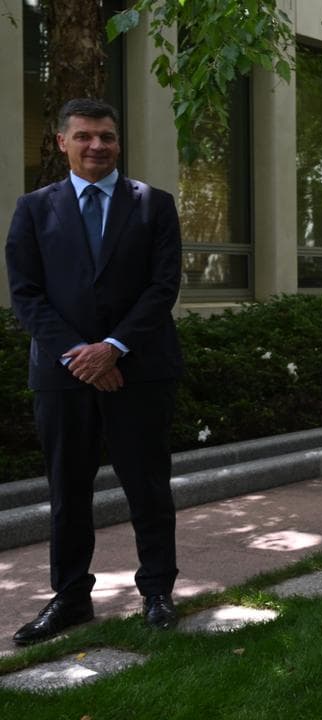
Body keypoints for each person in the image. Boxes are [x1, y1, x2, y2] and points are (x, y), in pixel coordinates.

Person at [6, 98, 183, 645]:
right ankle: (70, 598)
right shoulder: (33, 209)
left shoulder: (154, 205)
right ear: (62, 142)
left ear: (118, 142)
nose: (96, 145)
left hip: (140, 370)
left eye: (106, 136)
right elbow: (26, 294)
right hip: (63, 376)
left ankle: (157, 592)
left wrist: (113, 347)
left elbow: (163, 287)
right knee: (68, 490)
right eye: (83, 136)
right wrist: (81, 356)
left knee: (148, 487)